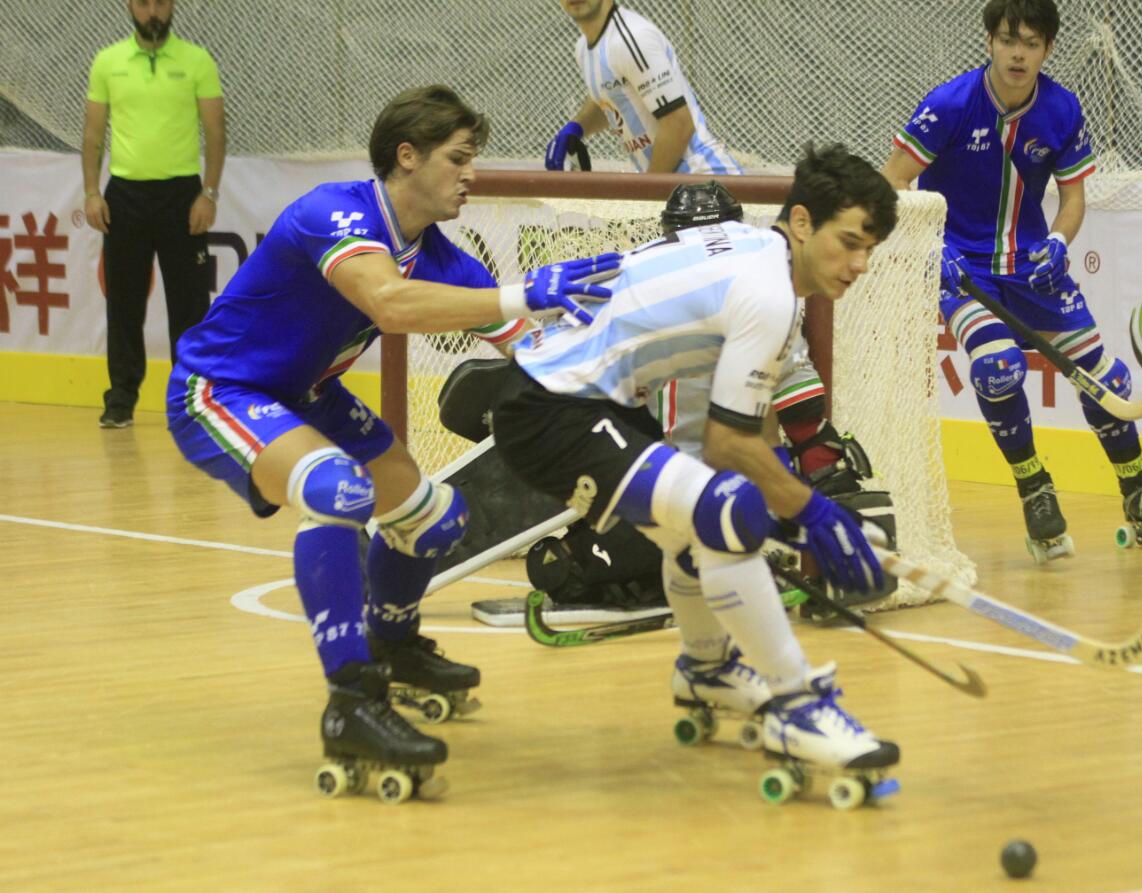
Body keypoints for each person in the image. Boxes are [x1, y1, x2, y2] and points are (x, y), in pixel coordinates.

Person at [166, 85, 618, 796]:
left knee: (435, 518)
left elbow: (535, 352)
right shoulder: (333, 212)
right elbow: (388, 301)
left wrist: (630, 359)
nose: (471, 174)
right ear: (407, 156)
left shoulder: (446, 260)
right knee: (339, 491)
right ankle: (351, 699)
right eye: (458, 158)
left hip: (308, 393)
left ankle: (394, 644)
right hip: (222, 387)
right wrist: (523, 292)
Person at [491, 144, 901, 777]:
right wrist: (816, 514)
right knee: (728, 513)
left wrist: (792, 514)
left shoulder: (755, 253)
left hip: (594, 400)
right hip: (555, 409)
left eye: (869, 249)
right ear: (800, 222)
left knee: (697, 532)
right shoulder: (770, 294)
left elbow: (735, 440)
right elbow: (727, 444)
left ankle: (707, 669)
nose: (860, 265)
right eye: (849, 243)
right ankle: (796, 707)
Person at [881, 0, 1142, 559]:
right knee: (998, 368)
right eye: (1007, 40)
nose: (1017, 54)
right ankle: (1035, 489)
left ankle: (1140, 489)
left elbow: (1072, 199)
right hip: (963, 269)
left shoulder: (1062, 109)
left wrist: (1059, 243)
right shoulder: (949, 104)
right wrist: (932, 247)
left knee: (1108, 380)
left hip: (1032, 267)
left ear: (1047, 49)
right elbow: (892, 183)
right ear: (989, 42)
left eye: (1030, 43)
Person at [82, 0, 226, 428]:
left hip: (182, 196)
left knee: (189, 304)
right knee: (123, 303)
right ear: (130, 6)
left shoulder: (197, 60)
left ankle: (191, 400)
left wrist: (208, 193)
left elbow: (216, 132)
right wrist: (92, 192)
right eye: (143, 3)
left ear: (172, 5)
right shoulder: (108, 61)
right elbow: (92, 135)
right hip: (124, 196)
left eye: (160, 2)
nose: (152, 12)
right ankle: (120, 399)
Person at [544, 0, 741, 175]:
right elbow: (612, 96)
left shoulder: (632, 38)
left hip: (704, 178)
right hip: (671, 185)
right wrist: (576, 128)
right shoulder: (583, 49)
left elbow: (678, 123)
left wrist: (647, 194)